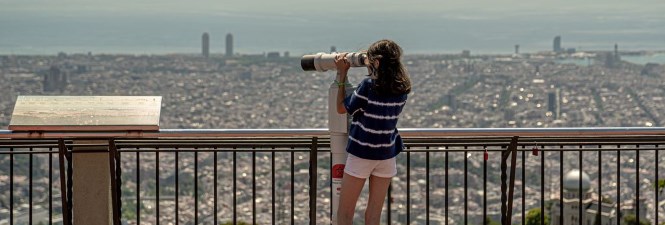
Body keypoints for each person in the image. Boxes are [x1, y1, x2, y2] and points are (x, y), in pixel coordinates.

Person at [334, 39, 411, 225]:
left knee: (344, 214)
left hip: (362, 153)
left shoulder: (369, 86)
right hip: (386, 155)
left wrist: (342, 74)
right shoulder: (402, 89)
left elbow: (341, 108)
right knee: (373, 216)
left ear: (377, 62)